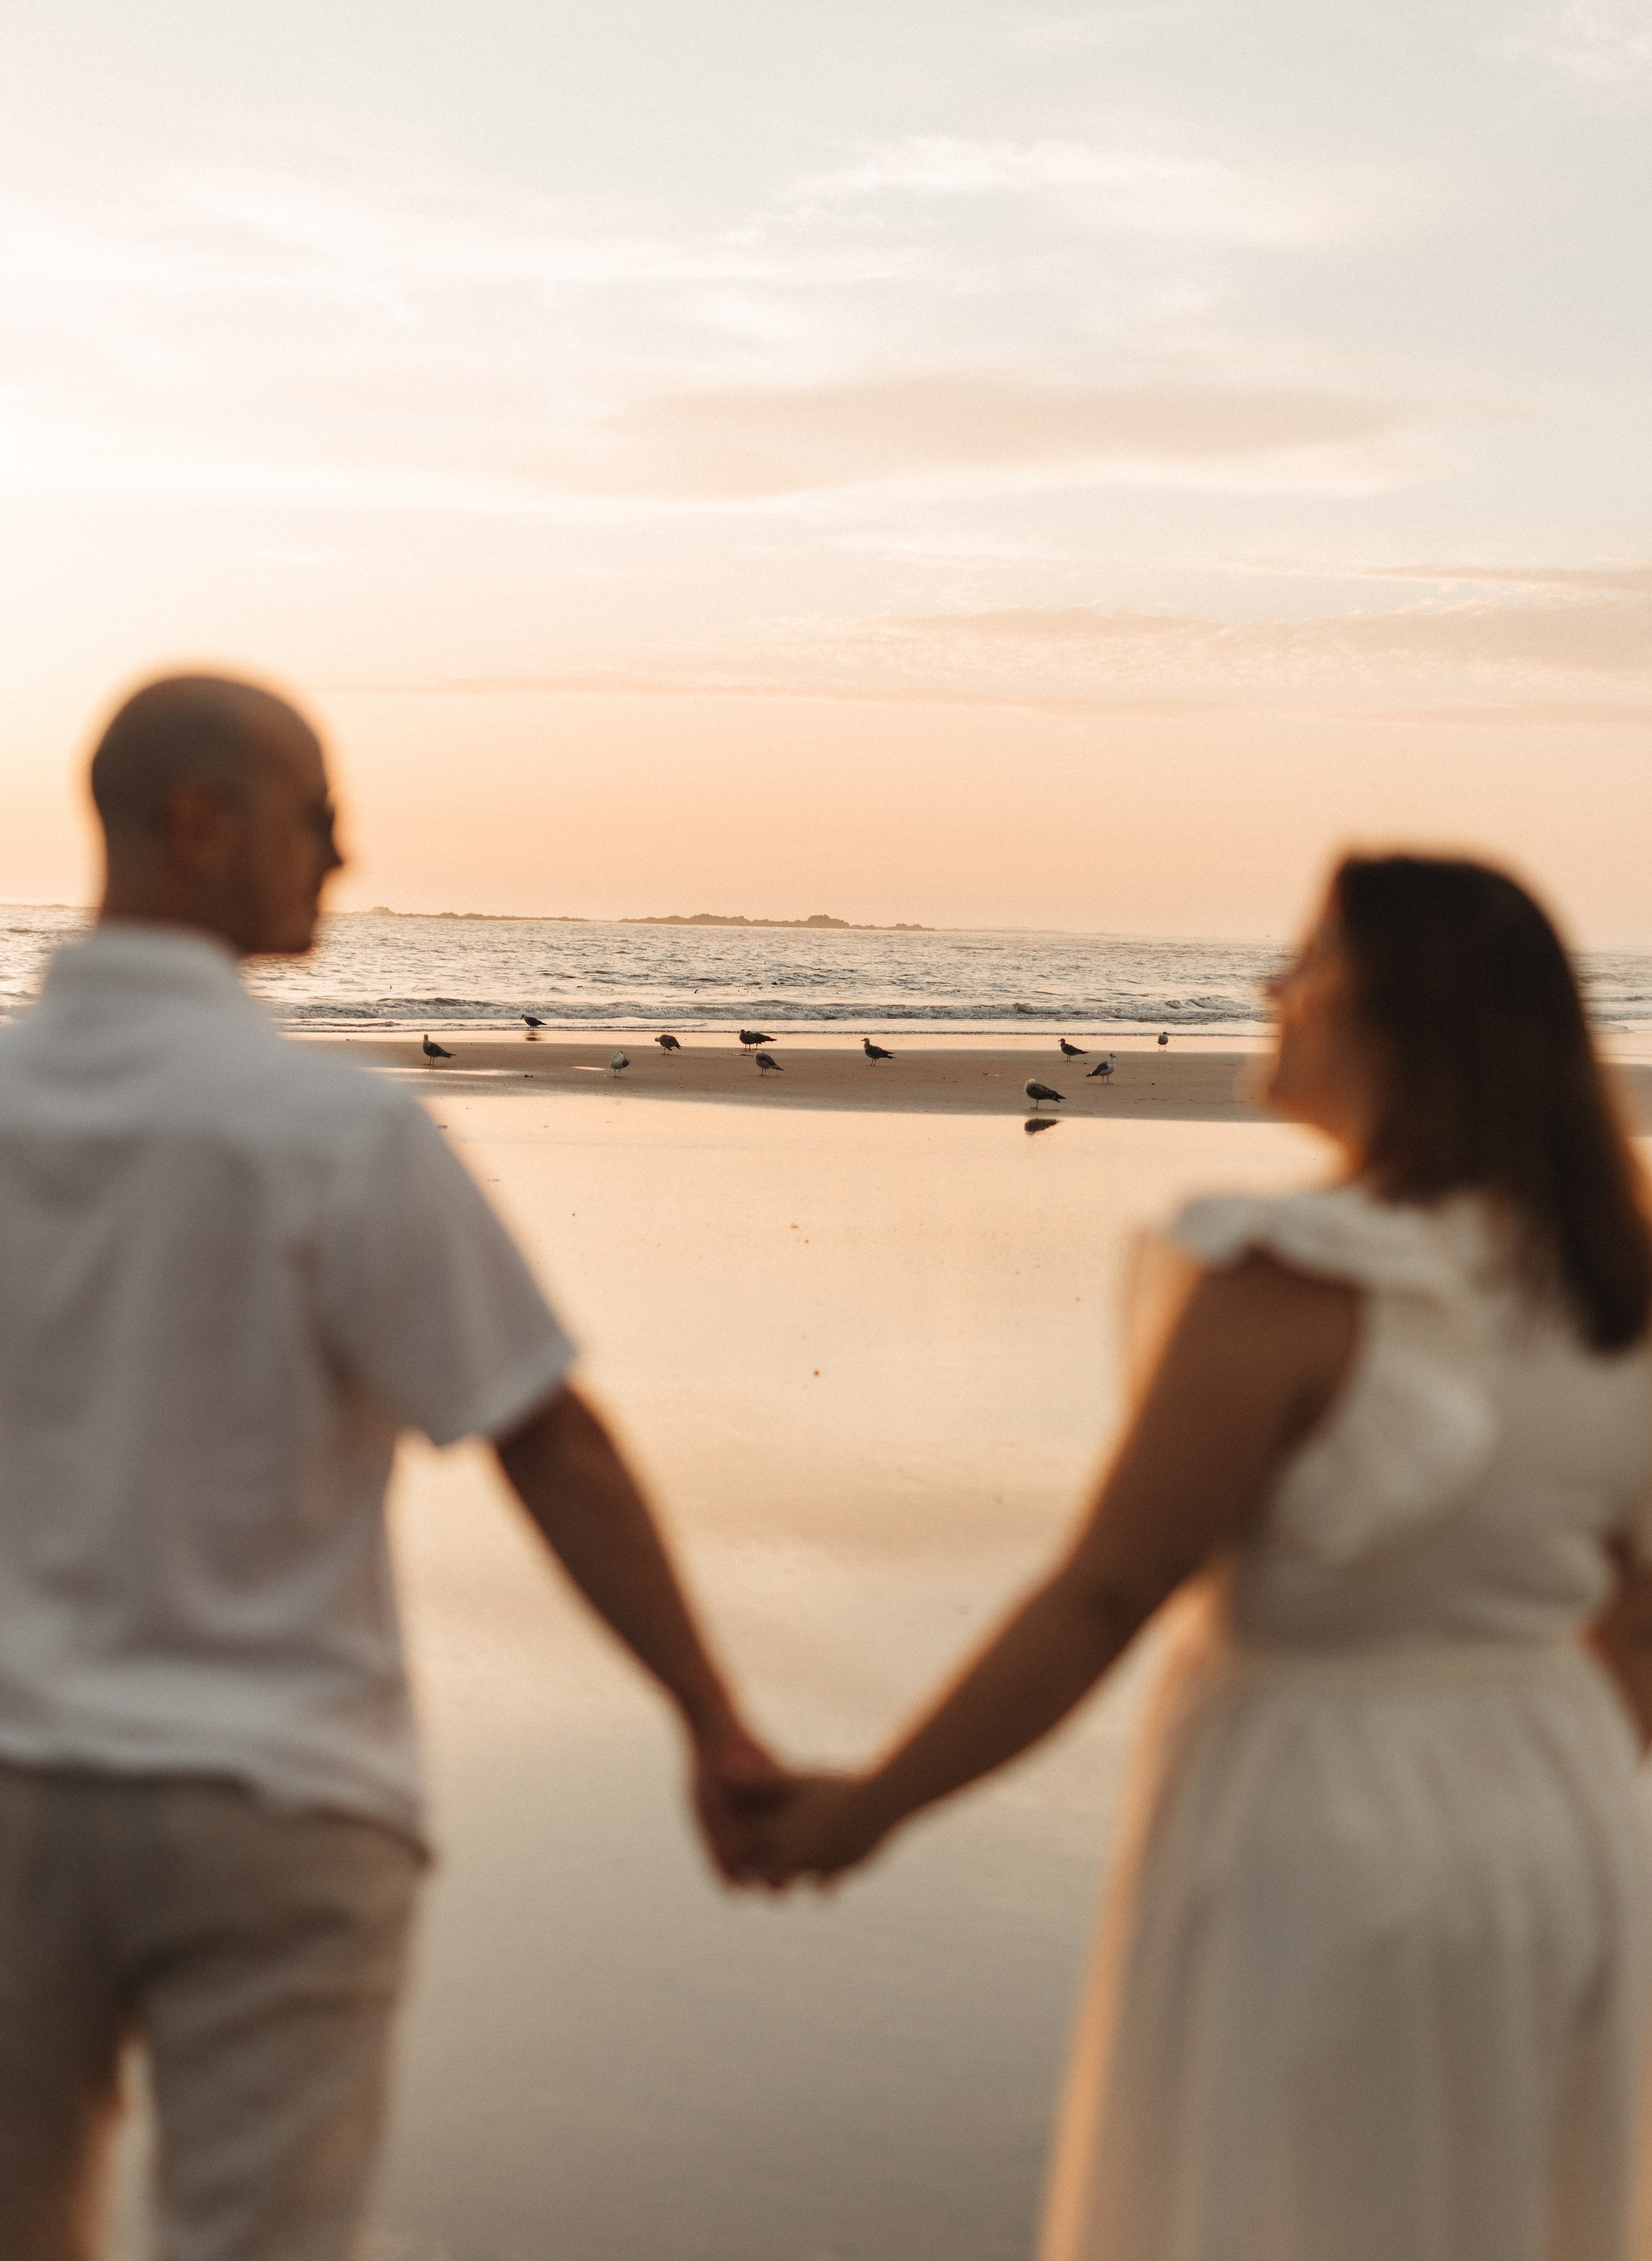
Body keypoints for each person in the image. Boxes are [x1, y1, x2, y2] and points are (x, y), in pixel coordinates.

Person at [747, 854, 1652, 2261]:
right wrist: (1556, 1801)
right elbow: (1639, 1630)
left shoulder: (1282, 1278)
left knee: (1284, 2201)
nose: (1268, 991)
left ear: (1401, 1018)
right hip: (1558, 1810)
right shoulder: (1613, 1280)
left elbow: (1104, 1594)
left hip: (1321, 1802)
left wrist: (871, 1807)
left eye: (1305, 965)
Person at [0, 673, 778, 2261]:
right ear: (197, 828)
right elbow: (541, 1435)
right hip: (275, 1795)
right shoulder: (332, 1132)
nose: (344, 859)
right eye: (320, 816)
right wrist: (710, 1719)